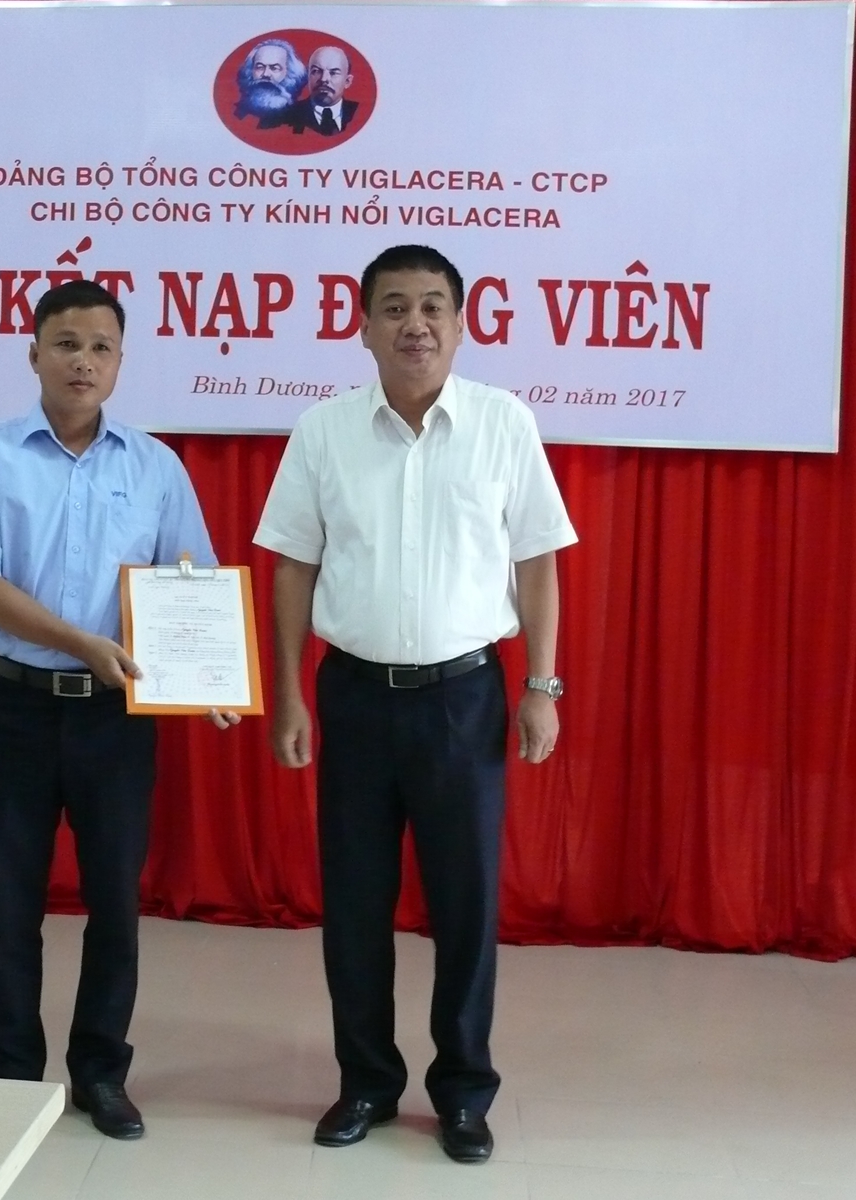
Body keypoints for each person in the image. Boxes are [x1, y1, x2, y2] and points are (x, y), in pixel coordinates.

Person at [253, 245, 576, 1163]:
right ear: (362, 327)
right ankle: (365, 1083)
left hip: (463, 699)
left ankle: (464, 1092)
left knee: (466, 906)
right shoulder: (323, 431)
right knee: (355, 905)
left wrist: (541, 685)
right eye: (393, 307)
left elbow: (537, 562)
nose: (415, 324)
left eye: (433, 306)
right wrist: (289, 694)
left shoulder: (504, 424)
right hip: (353, 697)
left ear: (462, 323)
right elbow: (294, 566)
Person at [0, 279, 237, 1140]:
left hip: (114, 722)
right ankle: (10, 1070)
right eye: (66, 344)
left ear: (120, 361)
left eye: (101, 347)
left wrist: (209, 677)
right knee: (11, 904)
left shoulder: (155, 467)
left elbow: (189, 585)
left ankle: (100, 1072)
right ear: (34, 353)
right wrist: (83, 643)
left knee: (115, 906)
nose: (83, 361)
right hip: (20, 712)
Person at [275, 46, 359, 137]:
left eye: (333, 73)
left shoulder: (359, 113)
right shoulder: (284, 117)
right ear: (308, 77)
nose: (323, 79)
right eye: (316, 71)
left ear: (347, 81)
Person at [233, 37, 305, 124]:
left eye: (274, 68)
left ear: (289, 73)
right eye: (260, 67)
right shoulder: (236, 114)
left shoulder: (300, 118)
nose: (266, 74)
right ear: (251, 71)